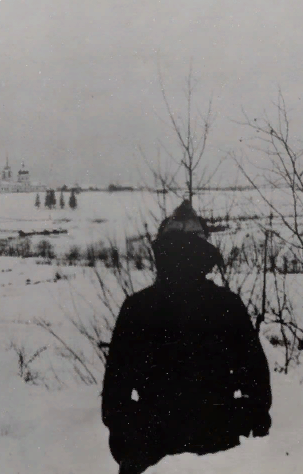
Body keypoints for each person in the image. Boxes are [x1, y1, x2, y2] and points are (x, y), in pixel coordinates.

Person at [101, 200, 272, 474]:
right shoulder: (227, 305)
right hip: (217, 452)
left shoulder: (137, 307)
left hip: (157, 452)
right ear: (205, 256)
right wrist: (238, 429)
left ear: (161, 255)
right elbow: (257, 390)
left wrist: (135, 444)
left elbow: (114, 400)